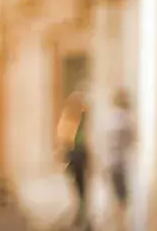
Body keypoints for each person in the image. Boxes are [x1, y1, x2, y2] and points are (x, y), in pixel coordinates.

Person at [56, 91, 90, 229]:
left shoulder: (69, 117)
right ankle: (81, 214)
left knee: (77, 187)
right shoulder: (81, 118)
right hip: (79, 155)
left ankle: (80, 213)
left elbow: (63, 137)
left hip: (73, 154)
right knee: (81, 187)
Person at [107, 89, 135, 229]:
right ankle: (121, 226)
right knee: (122, 199)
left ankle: (117, 225)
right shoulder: (124, 119)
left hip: (111, 162)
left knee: (116, 197)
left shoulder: (111, 118)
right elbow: (131, 139)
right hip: (120, 163)